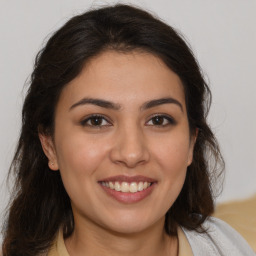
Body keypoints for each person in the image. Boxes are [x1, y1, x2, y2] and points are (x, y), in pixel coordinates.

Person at [1, 4, 255, 256]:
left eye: (158, 120)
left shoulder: (229, 247)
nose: (132, 153)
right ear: (50, 145)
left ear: (191, 141)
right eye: (96, 121)